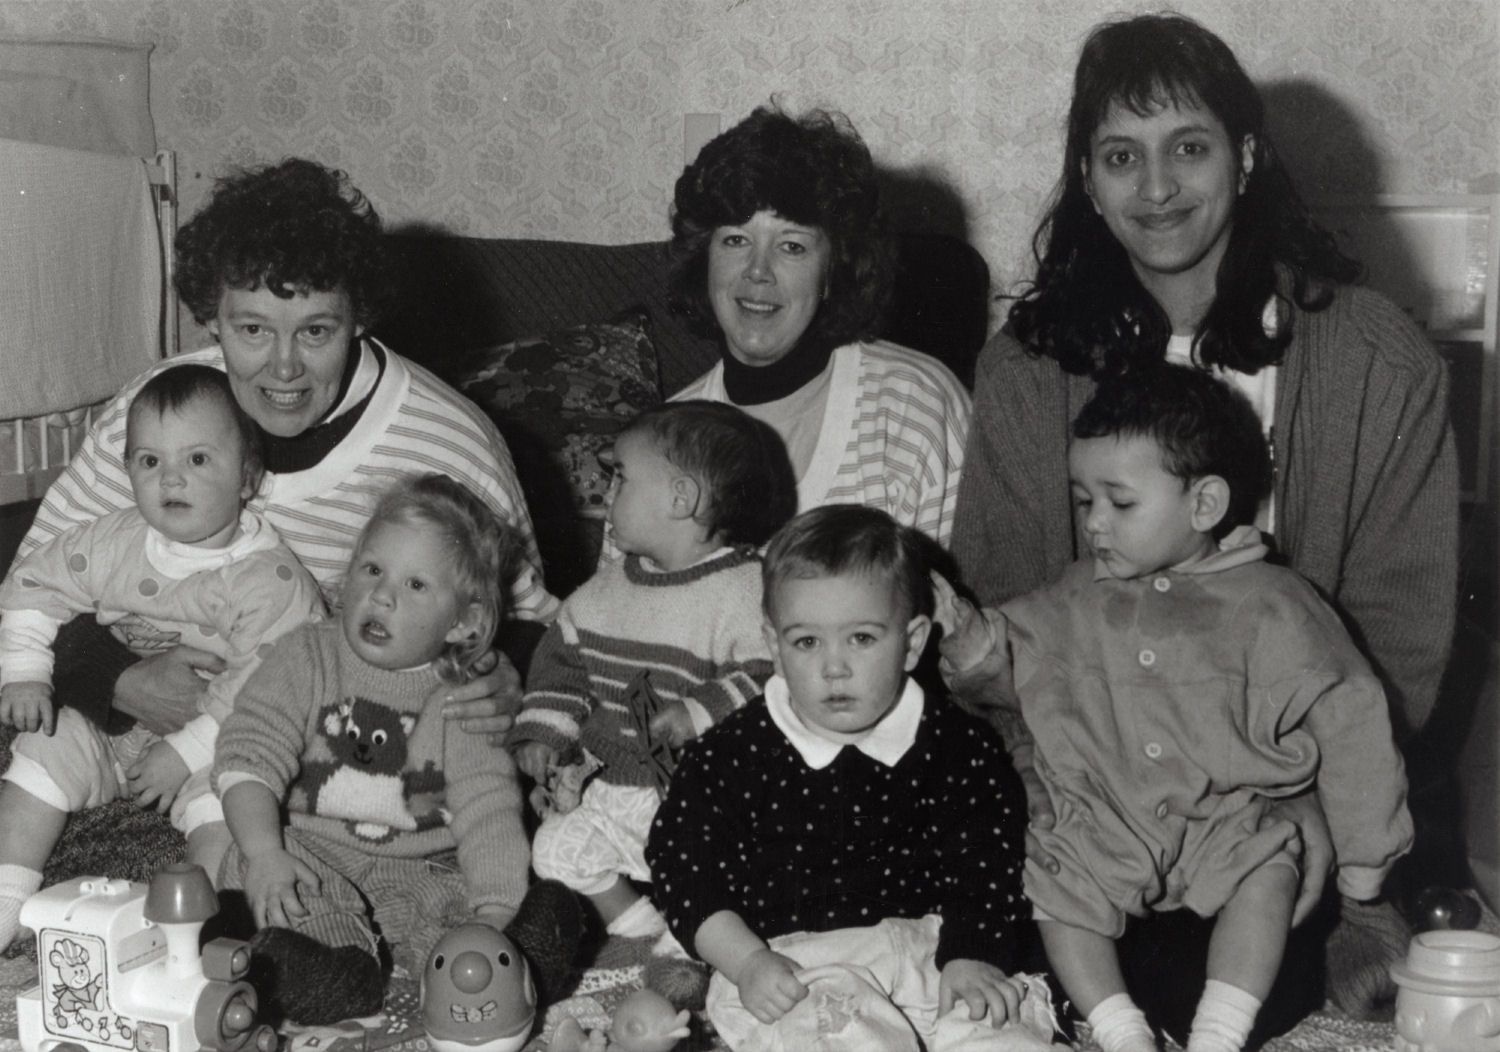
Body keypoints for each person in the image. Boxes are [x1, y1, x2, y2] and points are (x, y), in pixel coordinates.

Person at [949, 12, 1457, 1022]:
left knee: (1217, 981)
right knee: (1014, 956)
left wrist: (1316, 810)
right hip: (1087, 783)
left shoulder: (1374, 357)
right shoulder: (1028, 365)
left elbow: (1398, 638)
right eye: (1120, 157)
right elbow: (1004, 601)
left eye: (1189, 147)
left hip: (1272, 789)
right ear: (1086, 181)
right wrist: (1052, 796)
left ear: (1248, 156)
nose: (1157, 187)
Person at [940, 365, 1413, 1052]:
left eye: (1120, 504)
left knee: (1270, 865)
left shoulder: (1277, 603)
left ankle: (1220, 1032)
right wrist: (968, 644)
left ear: (1205, 503)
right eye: (1083, 502)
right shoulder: (1074, 594)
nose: (1096, 524)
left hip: (1228, 816)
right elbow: (1002, 652)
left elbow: (1352, 723)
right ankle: (1118, 1027)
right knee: (1053, 875)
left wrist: (1365, 869)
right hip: (1107, 818)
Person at [12, 157, 551, 749]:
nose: (284, 366)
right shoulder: (154, 418)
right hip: (130, 742)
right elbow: (29, 584)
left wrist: (509, 677)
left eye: (316, 331)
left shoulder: (452, 444)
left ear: (360, 319)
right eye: (253, 330)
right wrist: (118, 678)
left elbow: (530, 626)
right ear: (211, 321)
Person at [646, 505, 1055, 1052]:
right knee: (841, 1038)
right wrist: (744, 960)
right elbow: (683, 864)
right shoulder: (732, 755)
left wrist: (972, 951)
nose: (833, 667)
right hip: (792, 964)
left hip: (933, 949)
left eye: (861, 638)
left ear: (911, 644)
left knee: (1004, 1033)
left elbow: (986, 857)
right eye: (807, 642)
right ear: (773, 643)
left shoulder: (957, 747)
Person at [0, 365, 325, 949]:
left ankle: (193, 932)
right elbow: (33, 584)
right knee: (42, 750)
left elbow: (270, 689)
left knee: (232, 806)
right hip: (115, 730)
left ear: (247, 477)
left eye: (197, 460)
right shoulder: (113, 541)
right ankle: (5, 895)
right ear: (127, 471)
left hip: (219, 742)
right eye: (149, 461)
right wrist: (24, 673)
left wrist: (186, 751)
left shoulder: (269, 581)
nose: (170, 478)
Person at [213, 474, 533, 1026]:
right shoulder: (306, 656)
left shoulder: (464, 695)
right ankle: (335, 971)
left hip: (420, 866)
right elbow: (248, 755)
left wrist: (499, 908)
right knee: (255, 870)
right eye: (372, 569)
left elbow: (489, 809)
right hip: (311, 852)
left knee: (459, 914)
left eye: (415, 586)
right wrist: (266, 851)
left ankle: (493, 954)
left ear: (464, 622)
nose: (382, 594)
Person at [509, 401, 797, 1003]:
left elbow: (776, 670)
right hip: (610, 781)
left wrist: (703, 710)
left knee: (712, 877)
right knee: (554, 848)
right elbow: (565, 663)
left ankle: (687, 951)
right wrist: (546, 733)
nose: (607, 491)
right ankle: (637, 926)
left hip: (698, 797)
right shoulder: (608, 588)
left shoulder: (746, 587)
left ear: (681, 498)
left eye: (622, 477)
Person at [667, 105, 971, 547]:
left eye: (792, 246)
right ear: (704, 257)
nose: (758, 271)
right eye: (736, 240)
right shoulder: (662, 442)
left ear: (833, 270)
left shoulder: (916, 410)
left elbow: (961, 607)